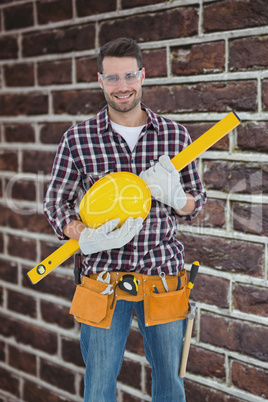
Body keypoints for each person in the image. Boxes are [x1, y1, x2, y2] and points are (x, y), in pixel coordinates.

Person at [44, 37, 207, 402]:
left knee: (170, 386)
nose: (123, 87)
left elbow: (196, 204)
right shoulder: (78, 139)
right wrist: (83, 236)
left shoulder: (175, 135)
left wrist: (177, 197)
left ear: (143, 76)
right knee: (99, 388)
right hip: (102, 282)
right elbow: (55, 204)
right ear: (100, 81)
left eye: (129, 76)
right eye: (113, 78)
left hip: (164, 279)